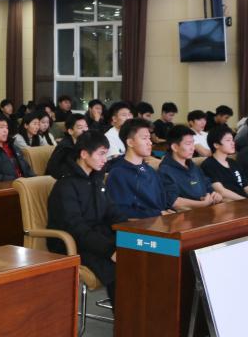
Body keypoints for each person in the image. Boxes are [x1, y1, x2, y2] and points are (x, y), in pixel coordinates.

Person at [46, 131, 124, 302]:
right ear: (84, 154)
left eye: (106, 154)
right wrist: (110, 250)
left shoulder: (96, 179)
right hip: (74, 243)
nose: (105, 159)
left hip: (97, 238)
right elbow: (75, 227)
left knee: (146, 253)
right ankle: (125, 317)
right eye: (101, 154)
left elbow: (112, 212)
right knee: (120, 268)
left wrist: (128, 233)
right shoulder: (65, 185)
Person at [106, 119, 174, 219]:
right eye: (144, 138)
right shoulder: (118, 173)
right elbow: (121, 210)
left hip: (161, 221)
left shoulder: (150, 170)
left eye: (149, 138)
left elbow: (163, 201)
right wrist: (157, 214)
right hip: (141, 226)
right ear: (130, 142)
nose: (149, 142)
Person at [157, 125, 224, 210]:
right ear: (175, 147)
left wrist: (215, 195)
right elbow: (174, 202)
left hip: (207, 209)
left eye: (193, 143)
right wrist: (202, 204)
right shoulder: (165, 171)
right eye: (188, 144)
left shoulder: (192, 165)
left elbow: (208, 186)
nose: (193, 148)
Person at [201, 124, 248, 200]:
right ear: (216, 145)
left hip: (246, 201)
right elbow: (221, 191)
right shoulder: (208, 165)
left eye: (232, 140)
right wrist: (245, 201)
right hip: (233, 202)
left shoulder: (233, 162)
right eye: (228, 140)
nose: (233, 143)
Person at [46, 113, 89, 178]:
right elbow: (54, 169)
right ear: (70, 131)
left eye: (86, 126)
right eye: (80, 127)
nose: (85, 130)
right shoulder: (65, 147)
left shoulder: (84, 142)